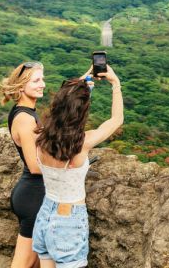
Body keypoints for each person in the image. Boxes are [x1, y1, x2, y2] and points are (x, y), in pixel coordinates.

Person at [32, 66, 123, 268]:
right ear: (80, 113)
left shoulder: (40, 136)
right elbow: (116, 120)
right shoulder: (82, 143)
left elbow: (66, 101)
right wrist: (115, 84)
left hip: (46, 213)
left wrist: (84, 81)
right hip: (69, 219)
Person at [0, 61, 47, 268]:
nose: (43, 84)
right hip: (33, 198)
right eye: (36, 80)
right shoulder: (25, 119)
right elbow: (35, 166)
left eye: (42, 79)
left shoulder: (24, 110)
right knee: (22, 264)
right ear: (21, 87)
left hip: (34, 195)